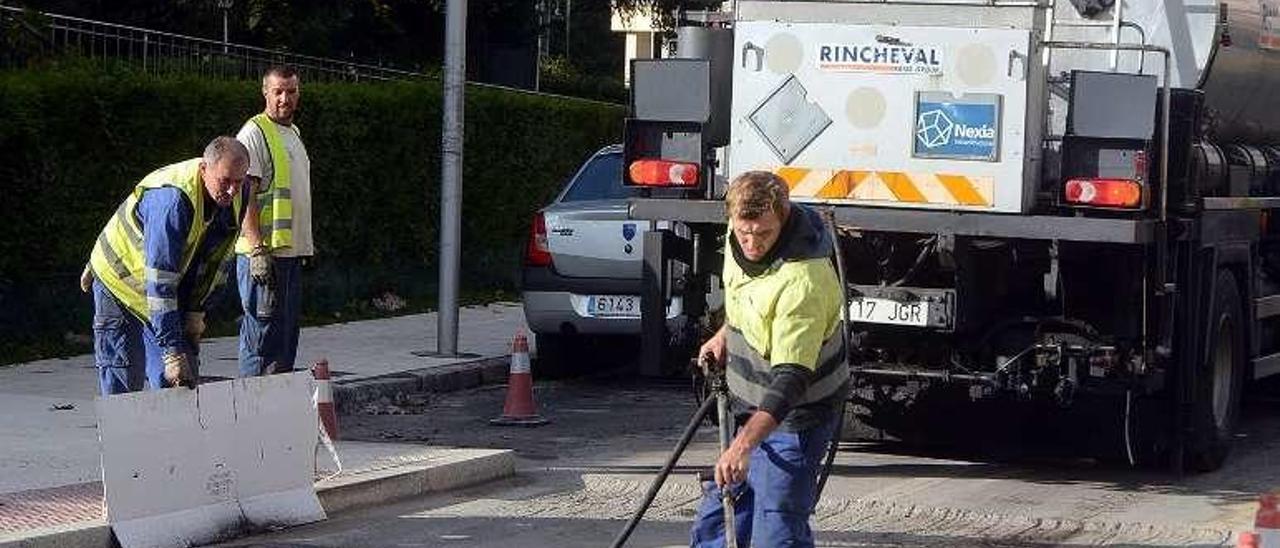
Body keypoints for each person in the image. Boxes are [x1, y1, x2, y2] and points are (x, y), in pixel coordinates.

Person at [690, 171, 850, 548]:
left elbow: (792, 379)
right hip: (747, 405)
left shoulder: (803, 280)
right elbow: (748, 297)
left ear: (784, 216)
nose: (751, 244)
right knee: (718, 522)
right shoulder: (737, 239)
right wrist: (724, 333)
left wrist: (742, 446)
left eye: (762, 234)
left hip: (795, 417)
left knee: (776, 533)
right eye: (743, 233)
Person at [83, 137, 251, 395]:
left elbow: (215, 261)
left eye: (238, 182)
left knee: (179, 384)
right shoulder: (172, 201)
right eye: (225, 181)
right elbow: (160, 282)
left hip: (163, 287)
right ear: (204, 169)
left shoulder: (239, 194)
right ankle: (127, 434)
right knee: (124, 382)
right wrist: (172, 353)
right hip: (119, 281)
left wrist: (196, 313)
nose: (231, 190)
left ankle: (170, 432)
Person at [235, 65, 314, 377]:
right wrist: (257, 249)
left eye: (291, 91)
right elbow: (245, 196)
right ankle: (252, 409)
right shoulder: (254, 133)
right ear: (264, 92)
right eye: (278, 91)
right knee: (262, 337)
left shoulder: (293, 133)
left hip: (289, 255)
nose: (285, 98)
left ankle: (275, 408)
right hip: (264, 257)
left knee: (283, 337)